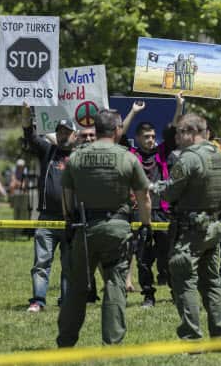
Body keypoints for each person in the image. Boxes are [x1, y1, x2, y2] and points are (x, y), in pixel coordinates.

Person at [57, 109, 151, 347]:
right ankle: (112, 342)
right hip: (117, 228)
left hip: (85, 227)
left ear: (96, 130)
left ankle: (66, 341)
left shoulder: (76, 158)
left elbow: (66, 195)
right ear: (117, 130)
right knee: (114, 283)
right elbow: (144, 196)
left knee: (77, 287)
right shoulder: (127, 157)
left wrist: (69, 221)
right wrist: (146, 225)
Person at [158, 112, 221, 339]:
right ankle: (220, 332)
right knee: (212, 281)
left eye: (179, 132)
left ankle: (191, 334)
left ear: (191, 132)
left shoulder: (188, 158)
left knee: (184, 280)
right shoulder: (218, 155)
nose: (176, 138)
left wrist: (157, 187)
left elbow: (170, 193)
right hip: (213, 225)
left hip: (190, 229)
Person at [125, 97, 183, 307]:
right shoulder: (130, 155)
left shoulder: (162, 152)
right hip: (140, 213)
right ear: (138, 138)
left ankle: (175, 292)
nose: (151, 140)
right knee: (143, 258)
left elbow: (173, 129)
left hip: (163, 212)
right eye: (146, 137)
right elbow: (119, 134)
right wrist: (133, 112)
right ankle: (148, 295)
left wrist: (178, 106)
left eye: (152, 136)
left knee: (169, 257)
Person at [22, 104, 77, 312]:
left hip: (71, 220)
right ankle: (38, 300)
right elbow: (30, 136)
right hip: (46, 218)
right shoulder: (48, 151)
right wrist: (26, 115)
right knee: (41, 262)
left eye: (67, 132)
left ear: (74, 135)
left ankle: (67, 301)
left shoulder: (81, 155)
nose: (64, 136)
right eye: (61, 132)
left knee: (69, 266)